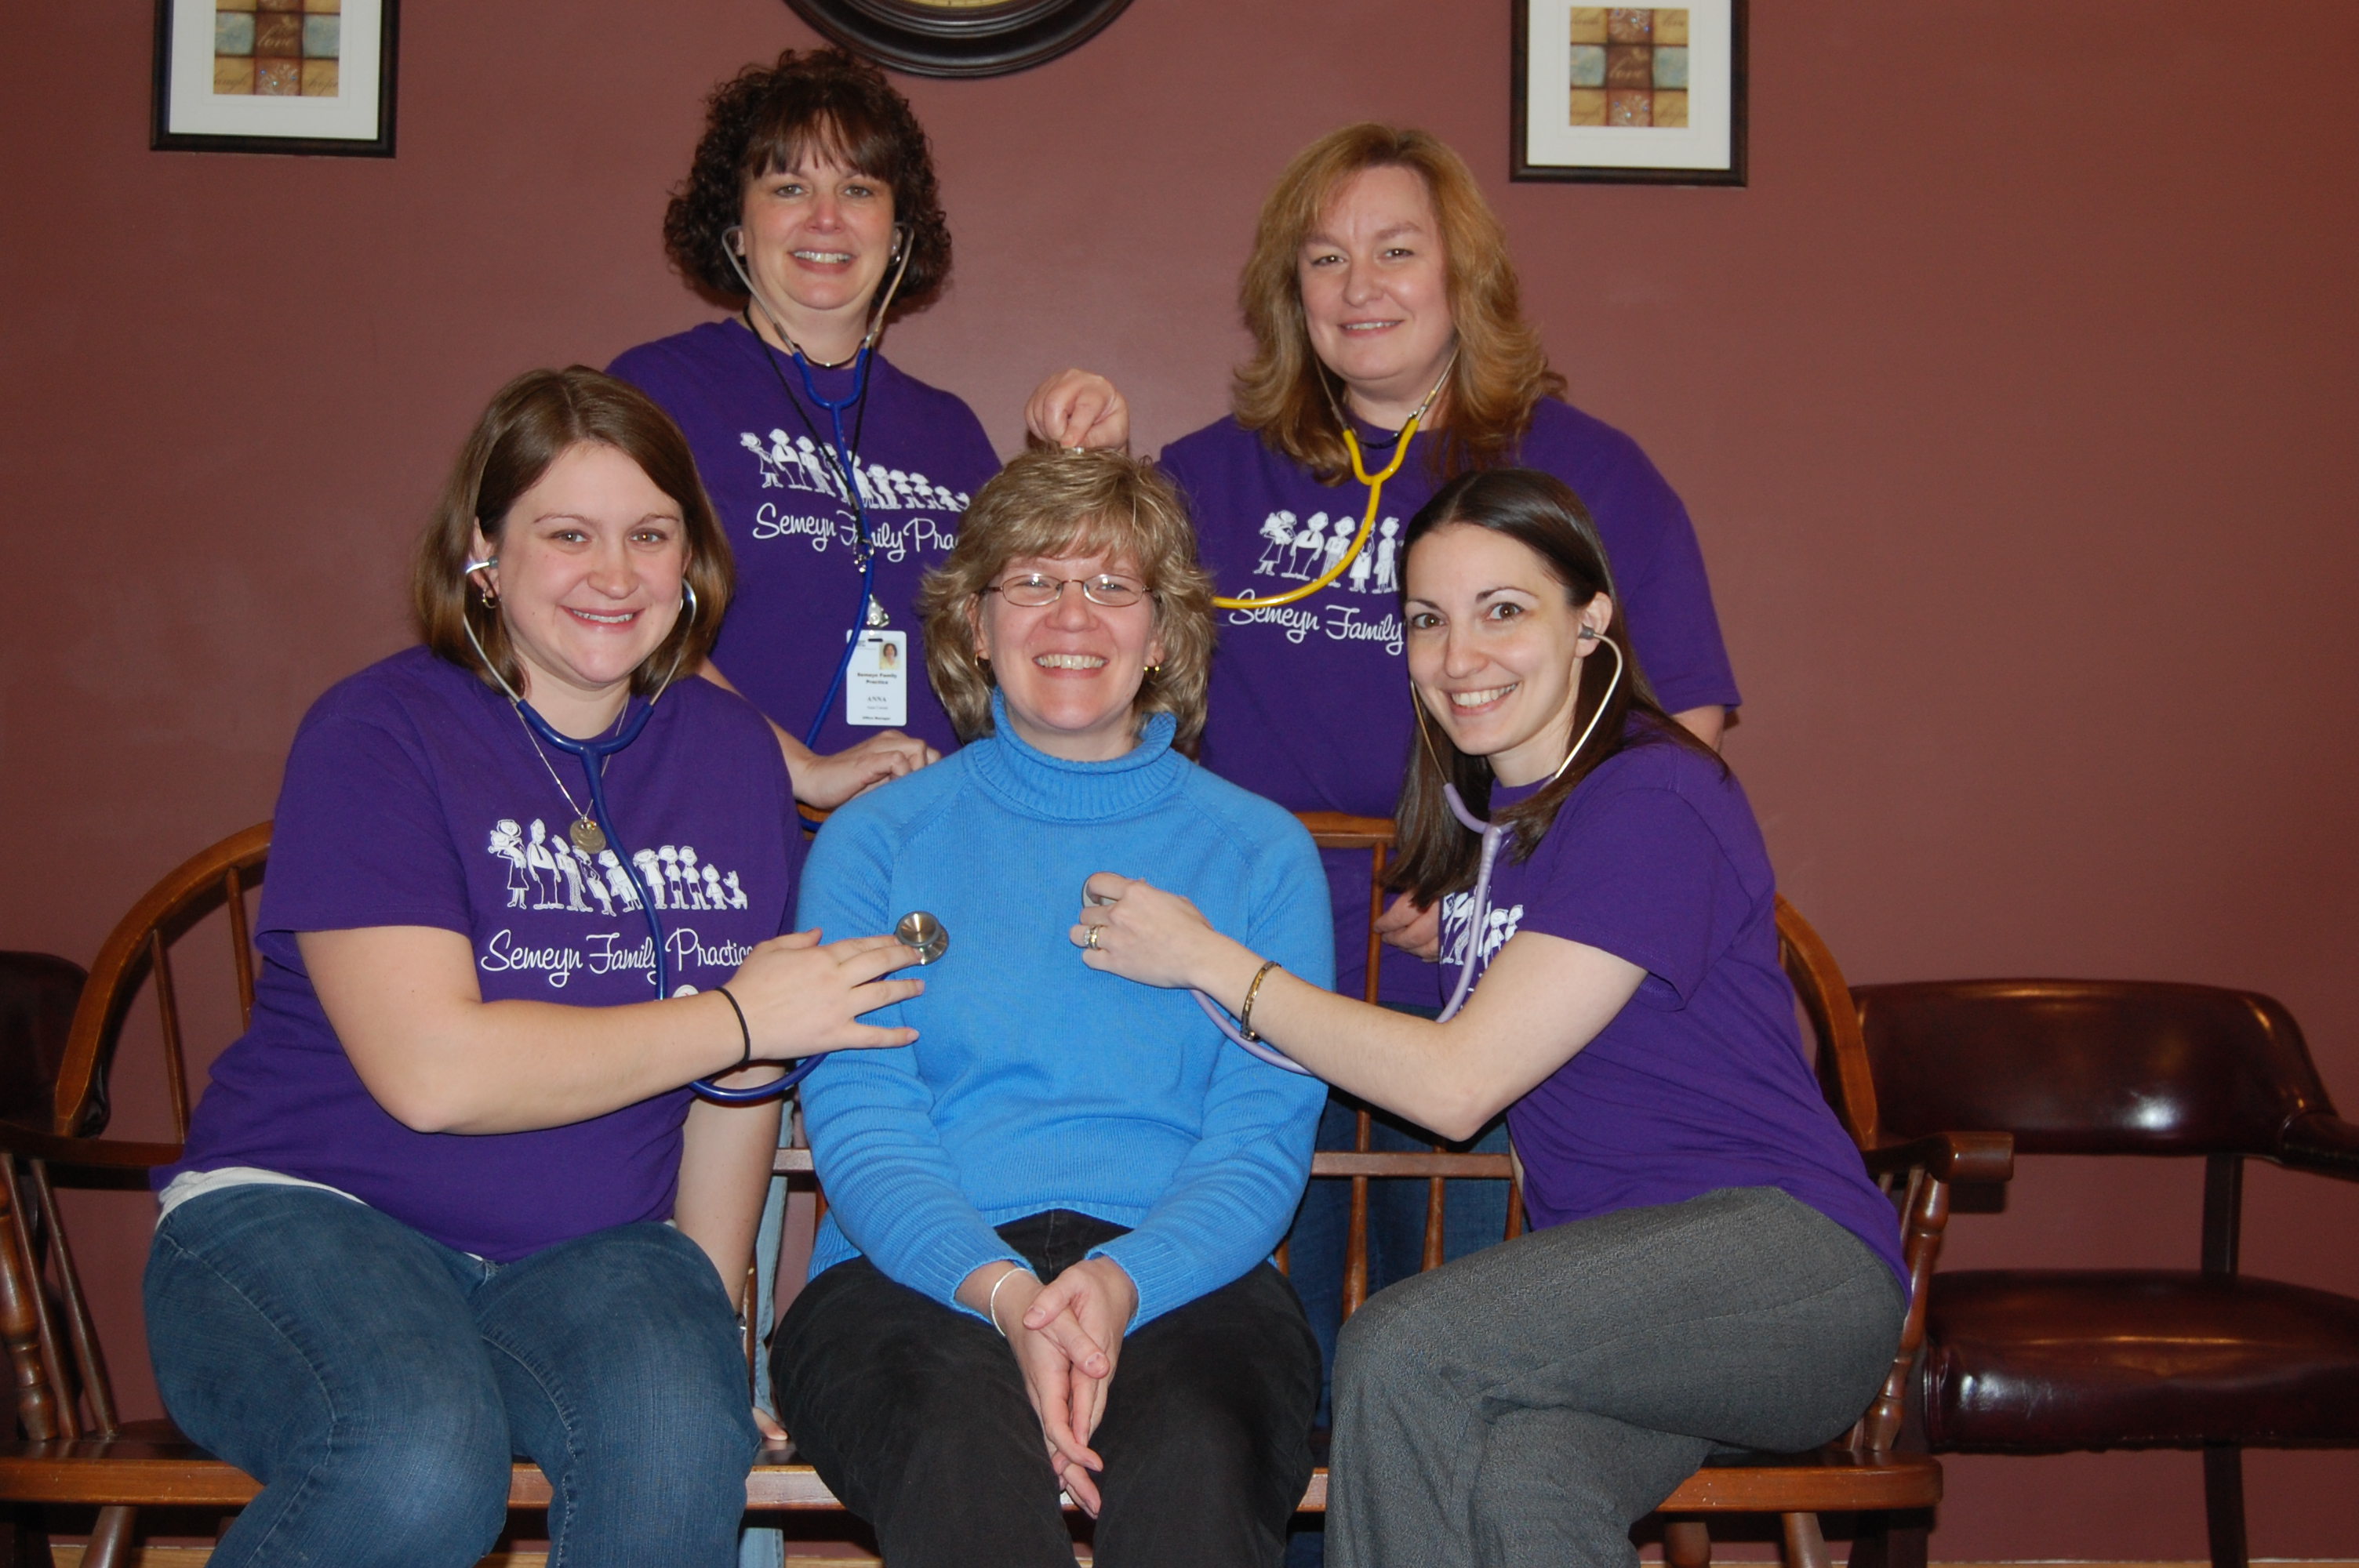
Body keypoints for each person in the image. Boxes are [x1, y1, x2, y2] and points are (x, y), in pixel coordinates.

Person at [1027, 127, 1746, 1486]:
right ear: (1286, 292)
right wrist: (1097, 478)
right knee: (1266, 1395)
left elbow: (1676, 738)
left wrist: (1496, 881)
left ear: (1464, 275)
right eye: (1324, 260)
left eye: (1396, 252)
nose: (1359, 287)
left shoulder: (1585, 472)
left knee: (1447, 1397)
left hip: (1474, 1025)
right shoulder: (1210, 474)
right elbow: (1077, 659)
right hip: (1241, 1012)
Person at [144, 368, 926, 1568]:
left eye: (650, 535)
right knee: (414, 1458)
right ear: (484, 553)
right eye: (568, 535)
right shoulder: (379, 731)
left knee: (681, 1446)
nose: (615, 574)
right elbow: (435, 1076)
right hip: (309, 1219)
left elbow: (736, 1090)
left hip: (591, 1255)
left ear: (691, 561)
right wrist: (735, 1015)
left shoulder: (731, 756)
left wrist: (703, 1323)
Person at [1073, 469, 1906, 1568]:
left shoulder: (1653, 795)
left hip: (1785, 1268)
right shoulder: (1499, 832)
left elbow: (1455, 1087)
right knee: (1521, 1479)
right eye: (1427, 619)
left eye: (1502, 610)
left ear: (1590, 621)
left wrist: (1208, 959)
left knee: (1406, 1346)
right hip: (1624, 1288)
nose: (1458, 656)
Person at [772, 449, 1332, 1568]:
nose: (1072, 615)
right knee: (962, 1457)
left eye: (1114, 586)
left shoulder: (1260, 852)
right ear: (975, 625)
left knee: (1199, 1458)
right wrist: (1004, 1293)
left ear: (1163, 634)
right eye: (1032, 581)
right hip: (911, 1272)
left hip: (1187, 1269)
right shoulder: (875, 841)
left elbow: (1260, 1142)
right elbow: (864, 1126)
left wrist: (1121, 1283)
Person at [609, 46, 999, 811]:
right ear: (736, 226)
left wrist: (1084, 466)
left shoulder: (951, 430)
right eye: (789, 187)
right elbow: (625, 616)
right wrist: (799, 769)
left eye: (858, 189)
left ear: (898, 233)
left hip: (923, 836)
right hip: (719, 821)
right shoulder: (656, 392)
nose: (826, 218)